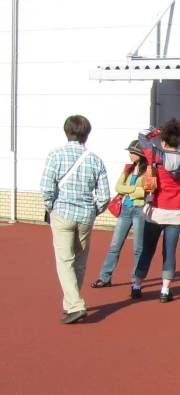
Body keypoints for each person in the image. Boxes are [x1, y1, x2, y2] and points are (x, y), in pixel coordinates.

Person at [40, 115, 110, 324]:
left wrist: (51, 207)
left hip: (62, 213)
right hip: (85, 216)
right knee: (79, 262)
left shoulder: (55, 155)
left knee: (65, 261)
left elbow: (46, 188)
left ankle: (75, 304)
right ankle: (70, 302)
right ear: (87, 134)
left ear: (66, 131)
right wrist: (93, 211)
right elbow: (105, 196)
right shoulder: (95, 159)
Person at [132, 118, 180, 303]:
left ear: (163, 140)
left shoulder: (156, 156)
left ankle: (137, 286)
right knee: (169, 252)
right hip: (176, 212)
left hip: (156, 210)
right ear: (179, 141)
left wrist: (158, 130)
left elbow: (141, 136)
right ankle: (165, 290)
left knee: (147, 250)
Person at [91, 140, 148, 288]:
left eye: (132, 152)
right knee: (115, 245)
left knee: (138, 248)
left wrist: (128, 191)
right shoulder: (127, 168)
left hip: (140, 210)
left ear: (140, 155)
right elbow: (118, 186)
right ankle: (105, 277)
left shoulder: (148, 170)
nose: (129, 155)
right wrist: (133, 190)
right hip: (125, 210)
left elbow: (146, 191)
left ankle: (135, 280)